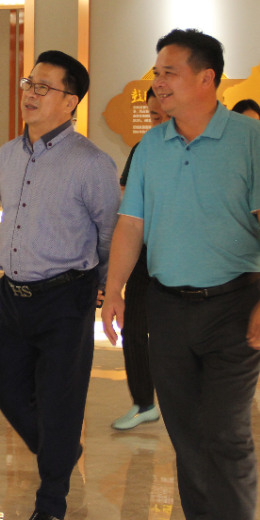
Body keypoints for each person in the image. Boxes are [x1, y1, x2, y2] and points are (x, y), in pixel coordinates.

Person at [102, 29, 260, 520]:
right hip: (167, 305)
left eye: (170, 72)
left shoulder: (251, 139)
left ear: (207, 79)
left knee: (225, 430)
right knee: (185, 429)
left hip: (234, 303)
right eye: (156, 72)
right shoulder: (150, 147)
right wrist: (113, 290)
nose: (158, 82)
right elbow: (130, 225)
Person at [0, 51, 121, 520]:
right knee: (6, 390)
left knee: (60, 403)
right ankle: (61, 456)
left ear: (70, 102)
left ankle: (51, 506)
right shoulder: (8, 154)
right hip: (13, 295)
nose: (31, 93)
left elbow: (109, 234)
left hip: (67, 295)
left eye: (44, 87)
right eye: (30, 83)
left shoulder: (92, 163)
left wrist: (106, 288)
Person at [111, 87, 166, 431]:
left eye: (165, 115)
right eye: (154, 116)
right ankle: (144, 402)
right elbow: (127, 202)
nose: (159, 123)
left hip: (179, 256)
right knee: (133, 328)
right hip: (144, 253)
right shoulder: (143, 148)